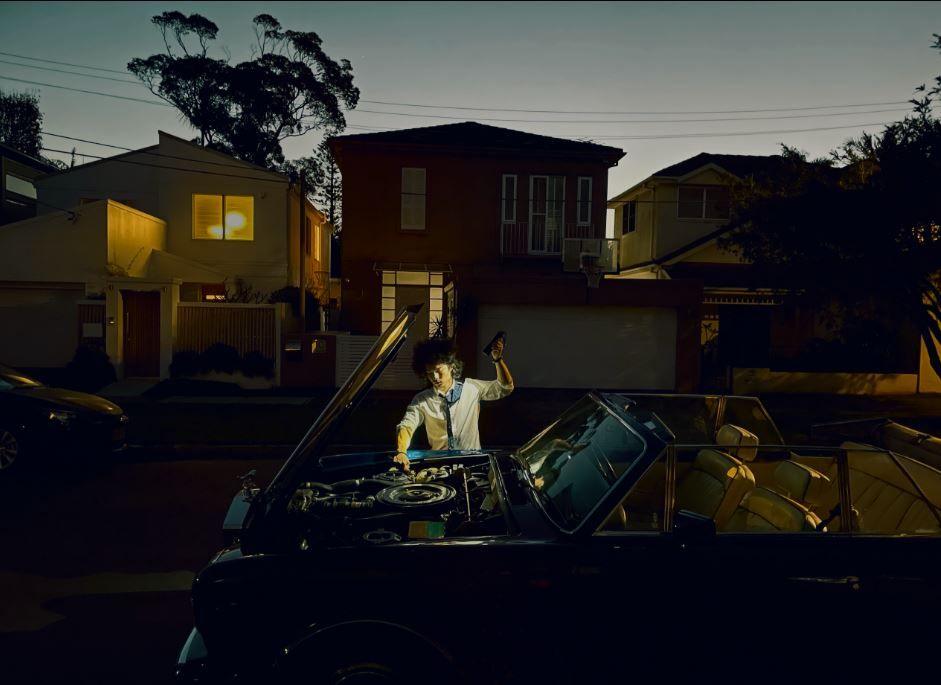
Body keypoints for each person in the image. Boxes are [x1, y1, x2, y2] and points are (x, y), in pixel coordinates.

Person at [394, 336, 513, 471]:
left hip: (473, 463)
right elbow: (407, 425)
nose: (435, 377)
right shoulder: (422, 399)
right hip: (439, 466)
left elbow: (505, 387)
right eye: (429, 373)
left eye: (438, 371)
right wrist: (402, 451)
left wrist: (497, 359)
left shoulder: (471, 388)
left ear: (451, 366)